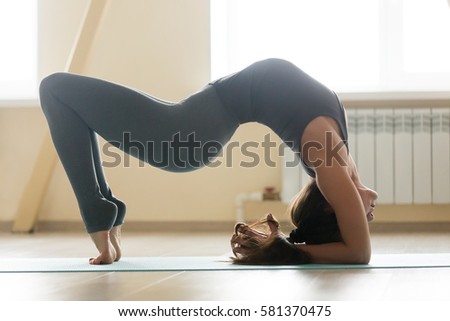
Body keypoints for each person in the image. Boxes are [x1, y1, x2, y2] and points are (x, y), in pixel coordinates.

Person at [39, 58, 378, 265]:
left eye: (361, 216)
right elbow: (356, 240)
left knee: (54, 89)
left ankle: (97, 217)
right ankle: (102, 213)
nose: (371, 211)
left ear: (333, 208)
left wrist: (288, 250)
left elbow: (359, 252)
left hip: (189, 134)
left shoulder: (330, 166)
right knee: (62, 96)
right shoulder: (343, 164)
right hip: (198, 116)